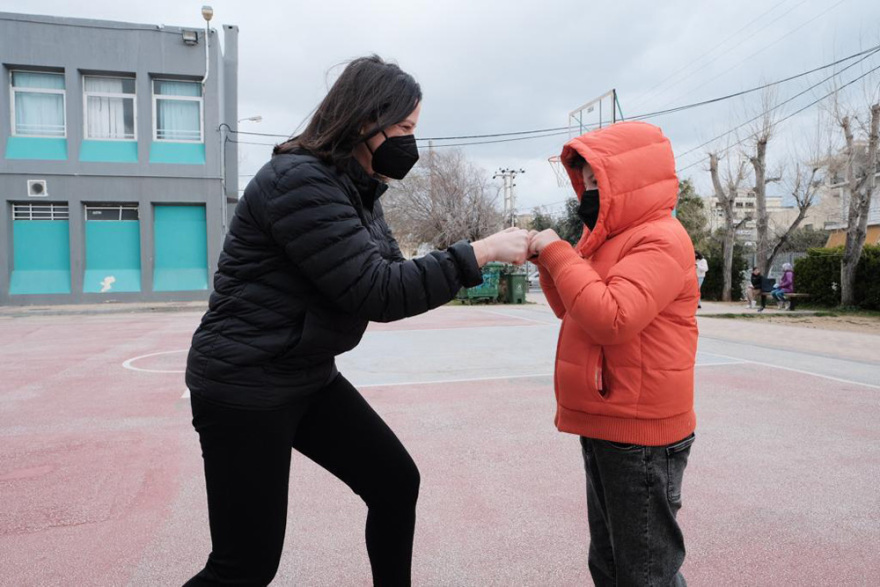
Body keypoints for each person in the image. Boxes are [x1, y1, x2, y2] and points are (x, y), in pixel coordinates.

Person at [183, 55, 530, 586]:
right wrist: (477, 253)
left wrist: (463, 257)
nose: (411, 142)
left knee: (394, 482)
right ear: (367, 119)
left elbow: (389, 270)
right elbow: (379, 292)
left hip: (306, 373)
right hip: (246, 384)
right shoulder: (299, 183)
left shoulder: (357, 187)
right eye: (406, 128)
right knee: (245, 565)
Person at [528, 121, 698, 586]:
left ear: (632, 181)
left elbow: (612, 317)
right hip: (609, 421)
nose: (589, 190)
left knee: (644, 573)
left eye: (600, 180)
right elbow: (572, 308)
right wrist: (550, 262)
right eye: (585, 180)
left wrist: (559, 252)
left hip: (642, 431)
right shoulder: (608, 240)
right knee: (609, 565)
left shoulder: (660, 238)